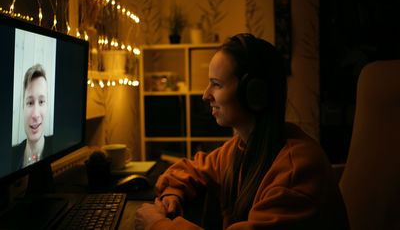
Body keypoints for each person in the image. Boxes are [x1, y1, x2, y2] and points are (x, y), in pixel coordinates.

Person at [134, 33, 349, 230]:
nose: (206, 95)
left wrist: (158, 225)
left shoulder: (297, 172)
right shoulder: (241, 148)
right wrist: (173, 192)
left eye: (216, 84)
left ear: (254, 93)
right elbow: (192, 168)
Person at [12, 64, 53, 171]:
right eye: (30, 103)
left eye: (41, 102)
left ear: (47, 105)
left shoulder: (57, 146)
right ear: (23, 107)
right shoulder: (10, 154)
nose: (35, 115)